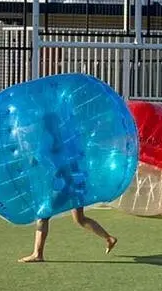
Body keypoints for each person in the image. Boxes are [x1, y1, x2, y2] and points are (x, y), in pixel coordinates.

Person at [20, 113, 118, 263]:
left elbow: (35, 161)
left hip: (67, 184)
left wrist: (26, 151)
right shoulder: (68, 137)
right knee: (80, 219)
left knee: (43, 215)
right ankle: (109, 238)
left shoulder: (47, 138)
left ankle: (37, 254)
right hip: (78, 180)